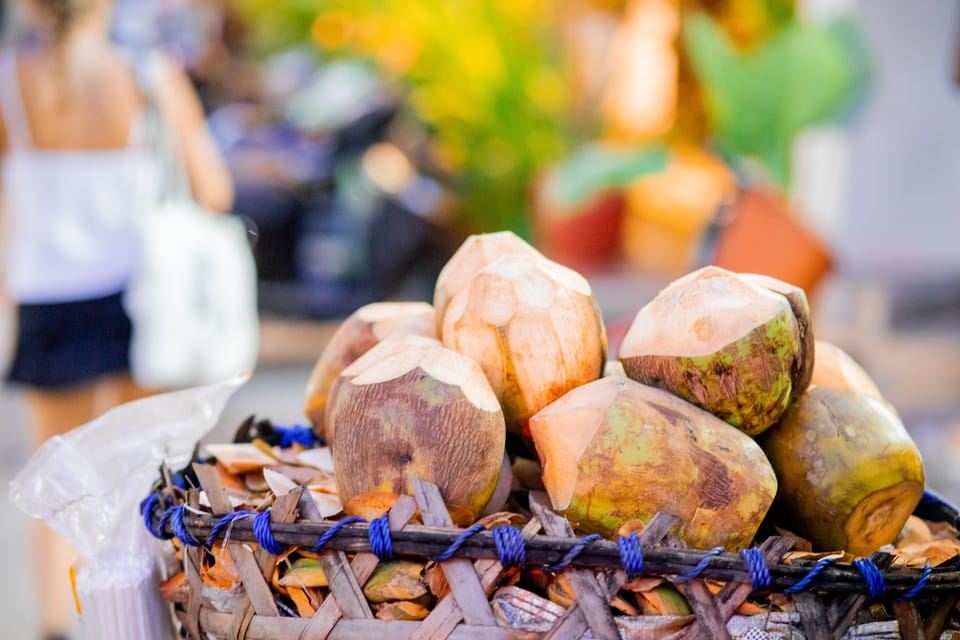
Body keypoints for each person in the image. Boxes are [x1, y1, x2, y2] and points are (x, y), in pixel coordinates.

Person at [0, 1, 233, 637]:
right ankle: (143, 622)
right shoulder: (151, 73)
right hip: (143, 298)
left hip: (46, 298)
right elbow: (214, 189)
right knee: (142, 475)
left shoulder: (8, 82)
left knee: (57, 479)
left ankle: (56, 625)